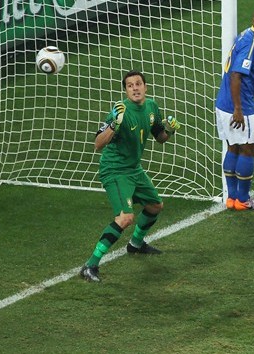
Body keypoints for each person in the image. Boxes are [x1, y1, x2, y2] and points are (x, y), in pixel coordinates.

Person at [80, 70, 181, 282]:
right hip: (115, 170)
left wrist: (170, 130)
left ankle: (135, 245)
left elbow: (159, 137)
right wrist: (114, 125)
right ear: (126, 91)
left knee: (155, 206)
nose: (135, 88)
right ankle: (90, 265)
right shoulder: (120, 111)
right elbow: (98, 144)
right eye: (130, 85)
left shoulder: (152, 107)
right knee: (125, 218)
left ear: (145, 87)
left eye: (138, 84)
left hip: (134, 168)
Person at [215, 5, 254, 210]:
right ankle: (243, 198)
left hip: (223, 103)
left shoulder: (245, 35)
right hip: (238, 106)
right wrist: (238, 109)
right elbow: (236, 76)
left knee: (233, 146)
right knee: (249, 148)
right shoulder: (252, 45)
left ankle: (232, 198)